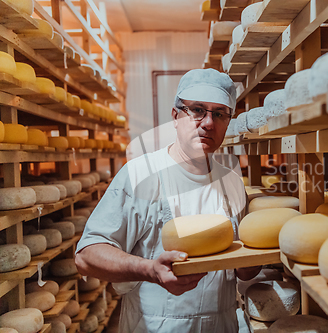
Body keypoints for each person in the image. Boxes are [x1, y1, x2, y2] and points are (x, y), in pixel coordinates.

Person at [75, 69, 261, 332]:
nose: (208, 123)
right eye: (197, 110)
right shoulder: (140, 174)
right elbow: (86, 255)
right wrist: (149, 270)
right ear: (176, 116)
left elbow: (244, 270)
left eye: (219, 113)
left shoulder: (231, 180)